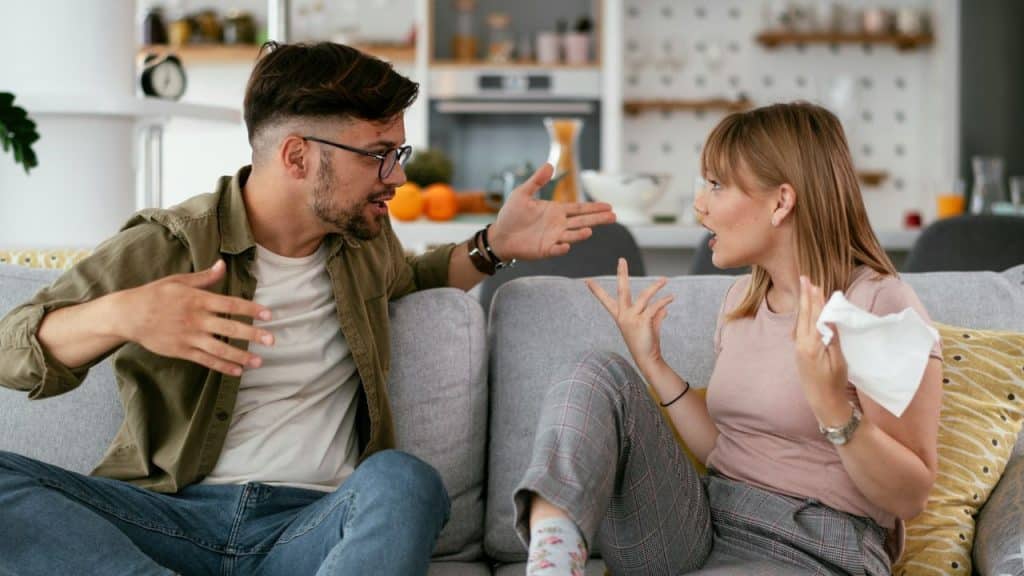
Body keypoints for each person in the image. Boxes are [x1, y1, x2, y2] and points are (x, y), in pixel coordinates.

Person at [0, 41, 614, 576]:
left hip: (310, 527)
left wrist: (492, 247)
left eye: (398, 154)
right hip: (172, 521)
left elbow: (414, 278)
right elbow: (12, 349)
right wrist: (123, 316)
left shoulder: (364, 244)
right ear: (297, 157)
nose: (395, 177)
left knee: (405, 481)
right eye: (379, 153)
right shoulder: (170, 245)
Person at [515, 102, 943, 575]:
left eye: (717, 186)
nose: (700, 205)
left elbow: (910, 496)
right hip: (703, 523)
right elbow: (727, 448)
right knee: (596, 372)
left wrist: (831, 407)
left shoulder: (880, 306)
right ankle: (551, 565)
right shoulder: (742, 300)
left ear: (781, 202)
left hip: (816, 545)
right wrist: (652, 362)